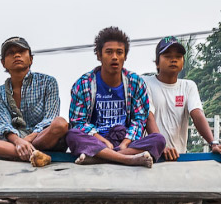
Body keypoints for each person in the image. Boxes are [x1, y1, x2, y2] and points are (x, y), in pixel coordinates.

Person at [65, 27, 165, 168]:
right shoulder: (84, 84)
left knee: (158, 139)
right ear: (99, 55)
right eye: (109, 52)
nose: (114, 57)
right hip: (96, 141)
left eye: (119, 52)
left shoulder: (135, 83)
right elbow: (78, 122)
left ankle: (101, 158)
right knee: (72, 135)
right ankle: (127, 159)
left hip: (124, 142)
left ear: (125, 56)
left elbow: (139, 120)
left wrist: (124, 143)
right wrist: (102, 141)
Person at [0, 36, 69, 167]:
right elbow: (4, 125)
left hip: (44, 138)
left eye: (21, 51)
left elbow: (49, 119)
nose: (17, 55)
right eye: (11, 53)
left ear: (31, 59)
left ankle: (17, 152)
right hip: (15, 141)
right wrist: (18, 141)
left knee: (60, 124)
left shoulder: (48, 82)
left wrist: (26, 141)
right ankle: (34, 154)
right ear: (3, 63)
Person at [143, 36, 221, 162]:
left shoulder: (188, 86)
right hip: (151, 157)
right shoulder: (145, 83)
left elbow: (197, 115)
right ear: (157, 62)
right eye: (167, 56)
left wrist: (213, 143)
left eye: (178, 56)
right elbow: (148, 116)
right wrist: (160, 145)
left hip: (178, 158)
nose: (173, 60)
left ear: (183, 62)